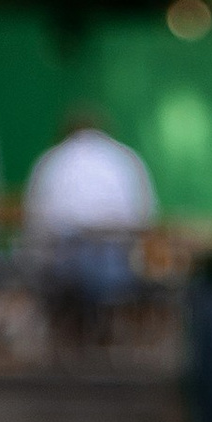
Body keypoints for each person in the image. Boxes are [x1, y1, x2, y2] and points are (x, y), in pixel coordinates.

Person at [21, 109, 155, 309]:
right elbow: (145, 217)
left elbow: (34, 221)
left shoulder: (50, 160)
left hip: (61, 268)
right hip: (115, 267)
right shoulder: (124, 157)